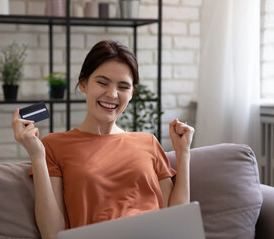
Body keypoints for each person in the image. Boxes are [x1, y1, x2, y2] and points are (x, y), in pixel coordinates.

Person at [12, 40, 195, 239]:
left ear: (132, 93)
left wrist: (183, 154)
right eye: (102, 82)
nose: (112, 94)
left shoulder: (148, 142)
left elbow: (177, 222)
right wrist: (37, 156)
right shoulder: (54, 145)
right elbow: (52, 233)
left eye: (123, 86)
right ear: (83, 84)